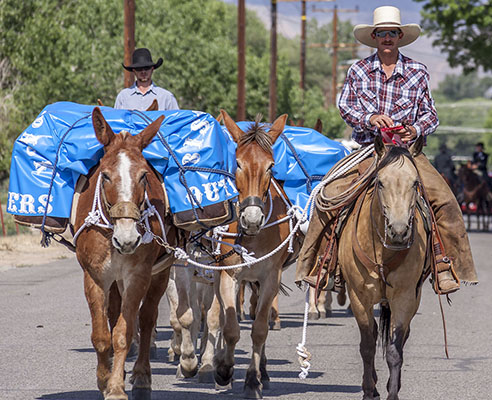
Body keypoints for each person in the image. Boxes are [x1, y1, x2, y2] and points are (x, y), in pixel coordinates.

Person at [296, 6, 477, 294]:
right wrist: (369, 119)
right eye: (382, 33)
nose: (387, 38)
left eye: (392, 32)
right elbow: (345, 106)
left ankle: (445, 265)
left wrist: (415, 129)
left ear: (400, 36)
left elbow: (431, 115)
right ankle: (322, 263)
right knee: (329, 194)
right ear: (375, 37)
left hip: (409, 153)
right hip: (369, 150)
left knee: (444, 199)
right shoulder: (359, 70)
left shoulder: (418, 72)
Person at [114, 48, 179, 111]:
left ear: (152, 69)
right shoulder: (123, 97)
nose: (143, 72)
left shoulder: (166, 97)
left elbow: (177, 120)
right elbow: (116, 120)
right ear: (134, 71)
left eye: (147, 68)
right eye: (139, 68)